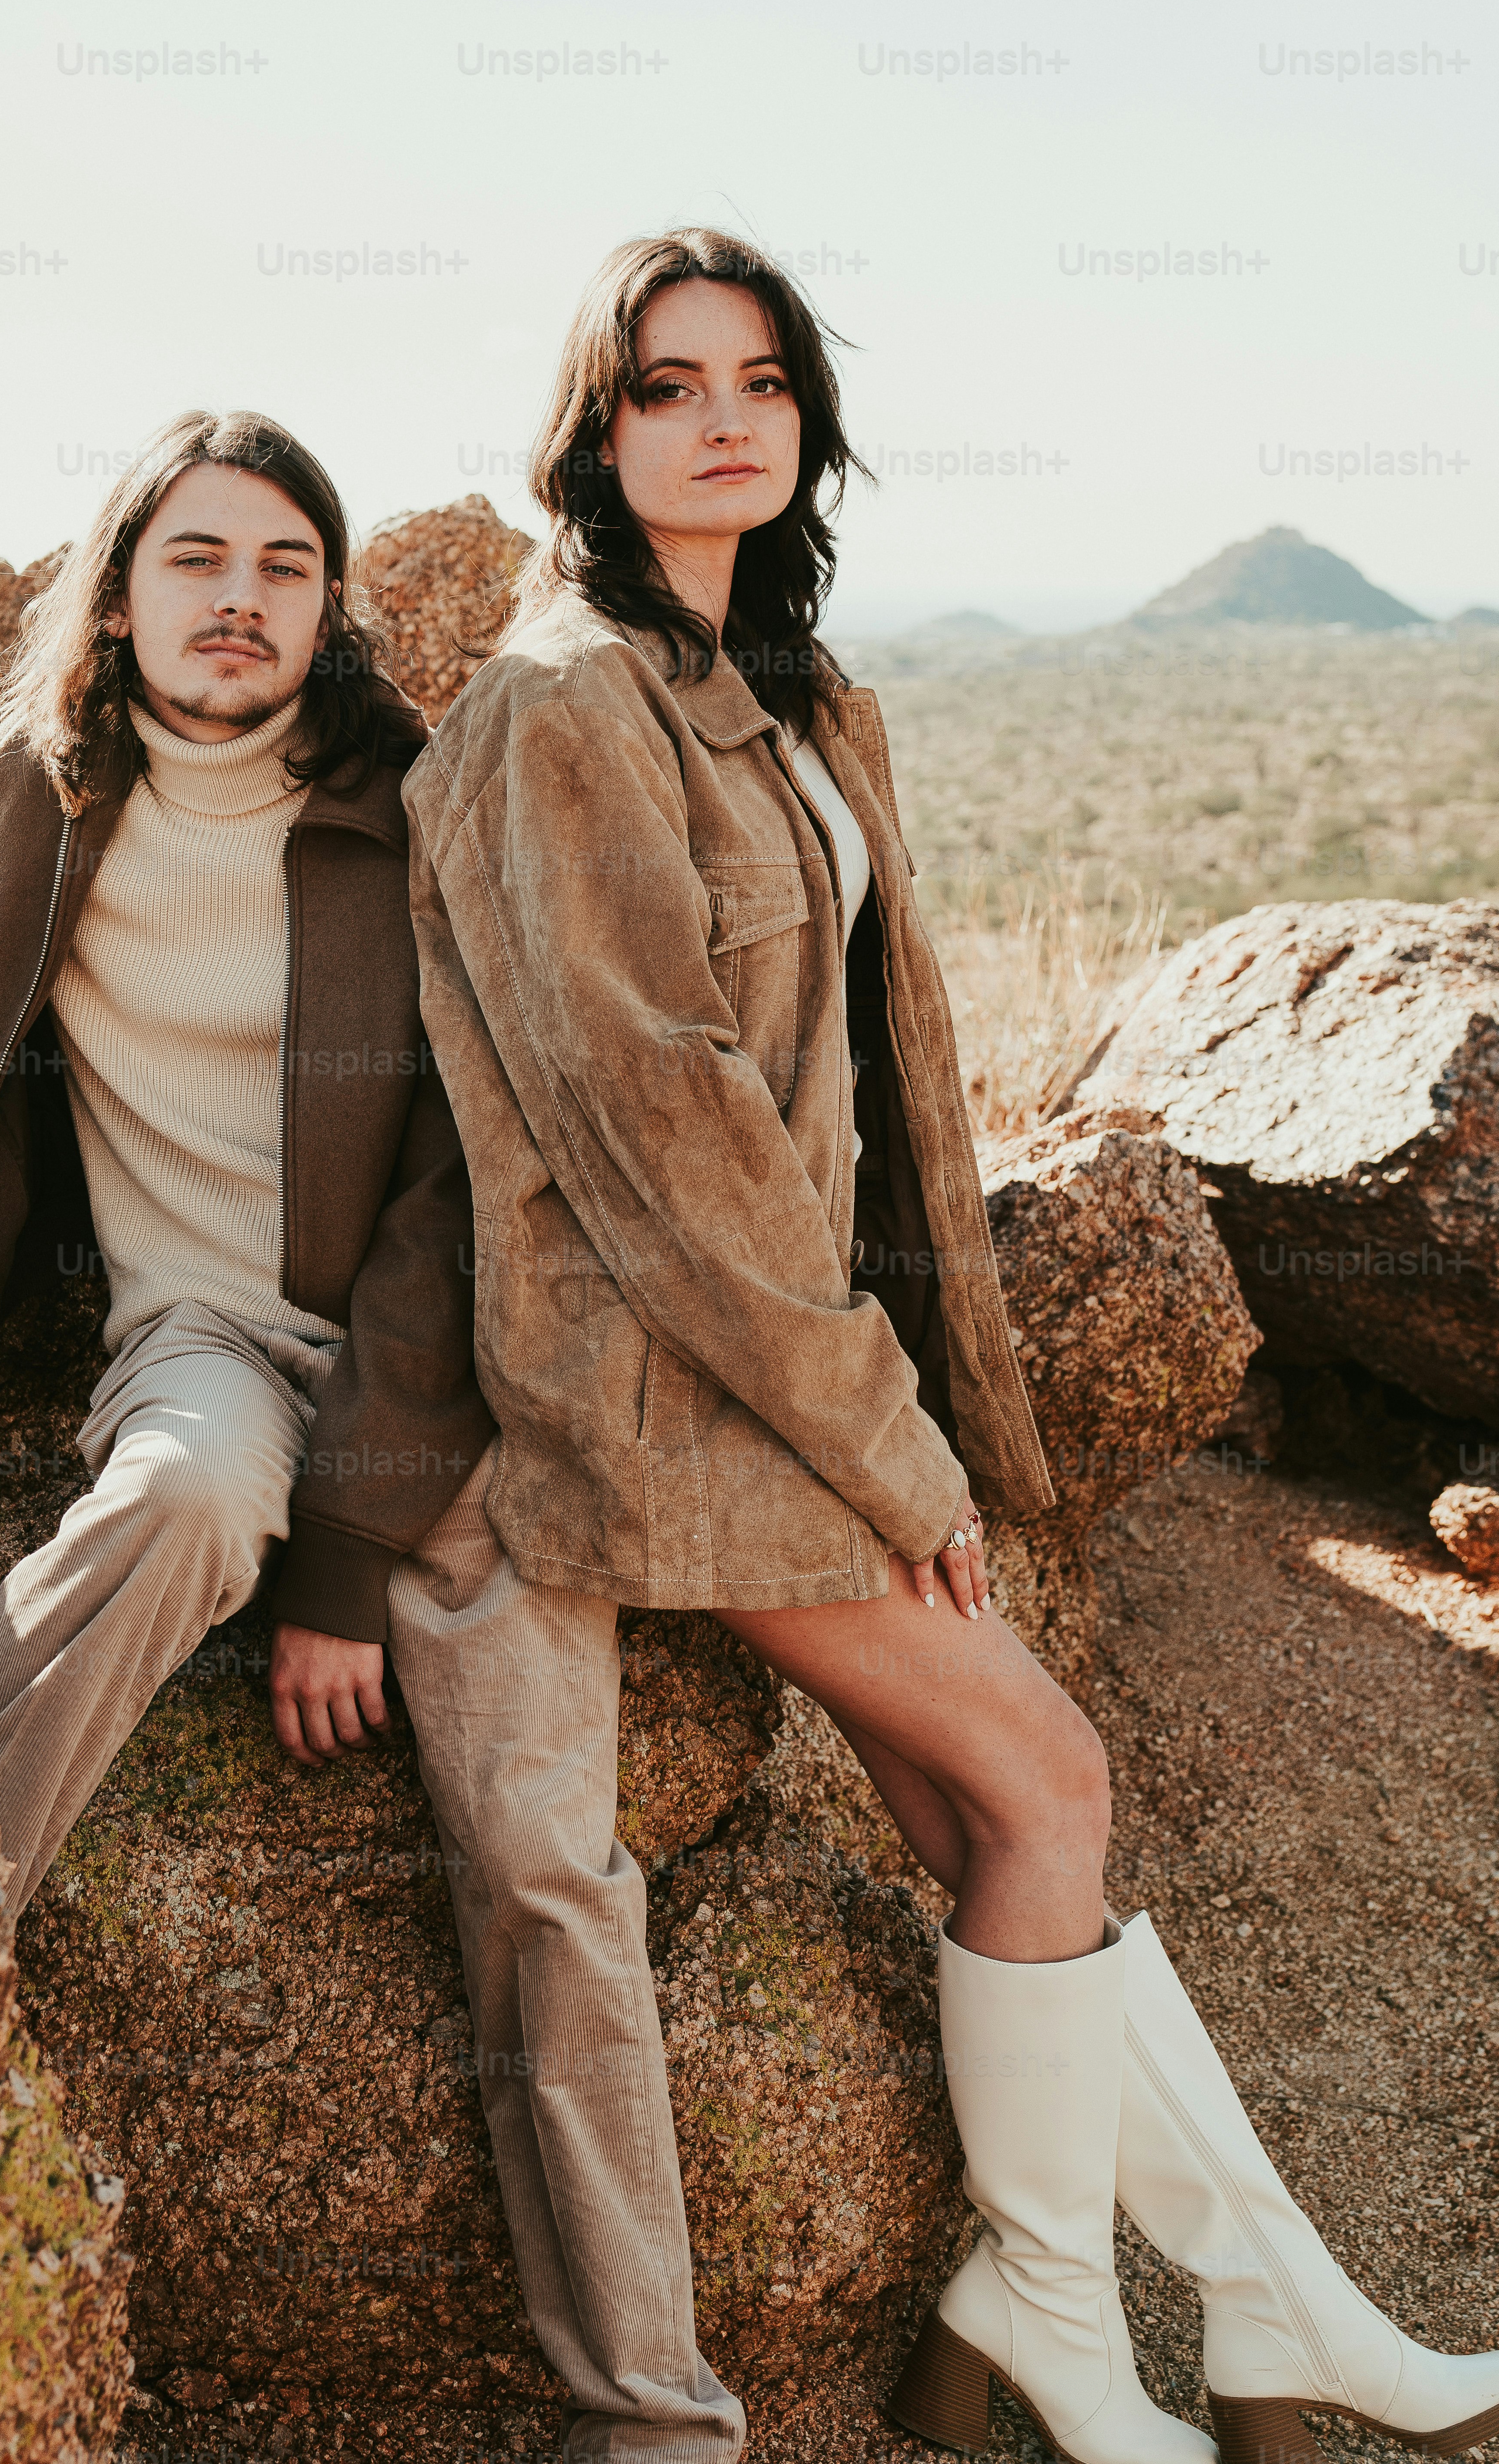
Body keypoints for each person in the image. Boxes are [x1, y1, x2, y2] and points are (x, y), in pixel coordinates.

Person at [403, 228, 1499, 2464]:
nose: (722, 414)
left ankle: (1239, 2318)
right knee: (1055, 1780)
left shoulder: (786, 690)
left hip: (777, 1366)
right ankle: (1081, 2328)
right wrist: (901, 1456)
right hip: (656, 1389)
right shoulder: (557, 701)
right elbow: (671, 1136)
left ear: (802, 418)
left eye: (761, 378)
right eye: (664, 383)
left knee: (1006, 1810)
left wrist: (913, 1400)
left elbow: (854, 1096)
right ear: (590, 431)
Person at [0, 407, 493, 1903]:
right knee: (180, 1494)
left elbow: (460, 1194)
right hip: (203, 1341)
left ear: (326, 610)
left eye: (285, 569)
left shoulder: (416, 810)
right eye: (199, 559)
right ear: (119, 596)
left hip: (431, 1354)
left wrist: (347, 1555)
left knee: (544, 1833)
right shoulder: (41, 782)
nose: (241, 597)